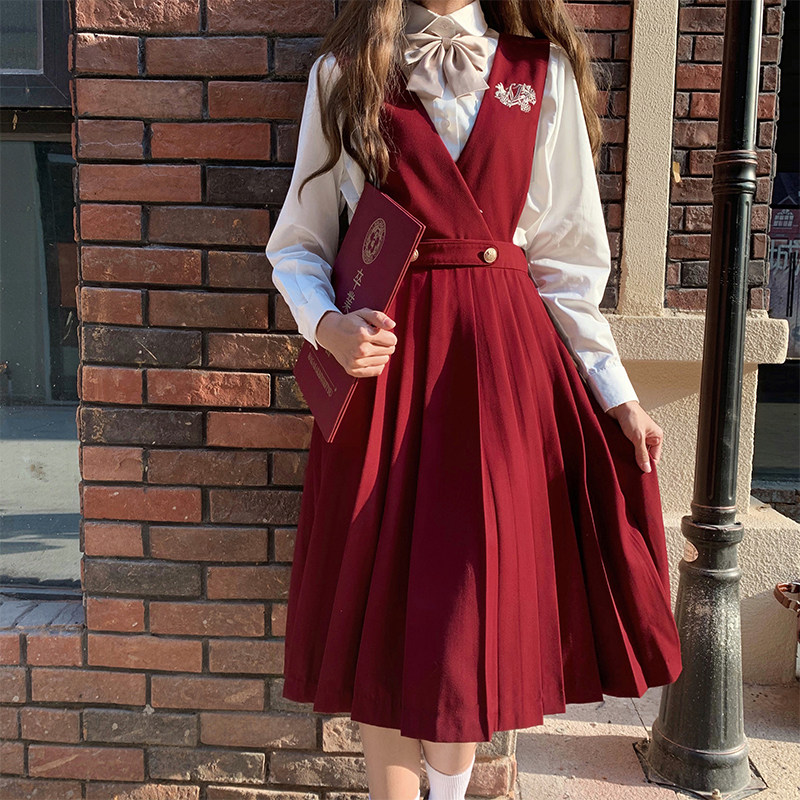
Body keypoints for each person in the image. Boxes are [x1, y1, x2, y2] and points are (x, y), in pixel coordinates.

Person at [265, 1, 683, 799]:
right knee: (384, 609)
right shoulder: (344, 76)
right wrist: (327, 328)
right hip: (385, 368)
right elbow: (300, 242)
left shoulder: (540, 71)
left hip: (501, 370)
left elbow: (567, 263)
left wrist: (616, 392)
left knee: (467, 596)